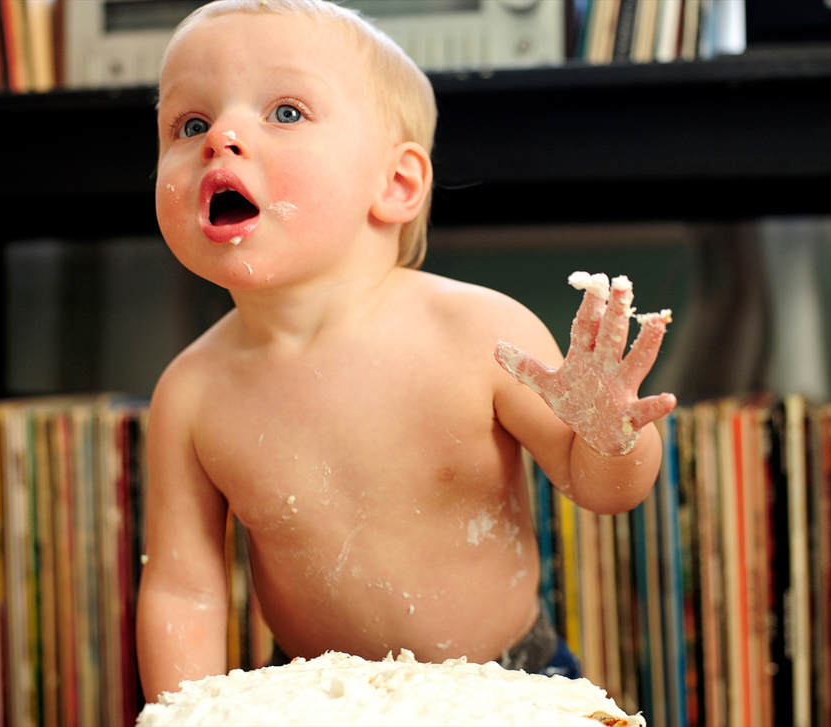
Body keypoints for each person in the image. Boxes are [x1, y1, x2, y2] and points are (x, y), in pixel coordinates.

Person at [136, 0, 678, 704]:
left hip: (508, 684)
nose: (222, 138)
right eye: (192, 124)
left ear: (395, 184)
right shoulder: (191, 393)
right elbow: (185, 589)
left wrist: (613, 436)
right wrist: (185, 716)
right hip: (317, 699)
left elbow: (602, 489)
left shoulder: (479, 332)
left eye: (287, 113)